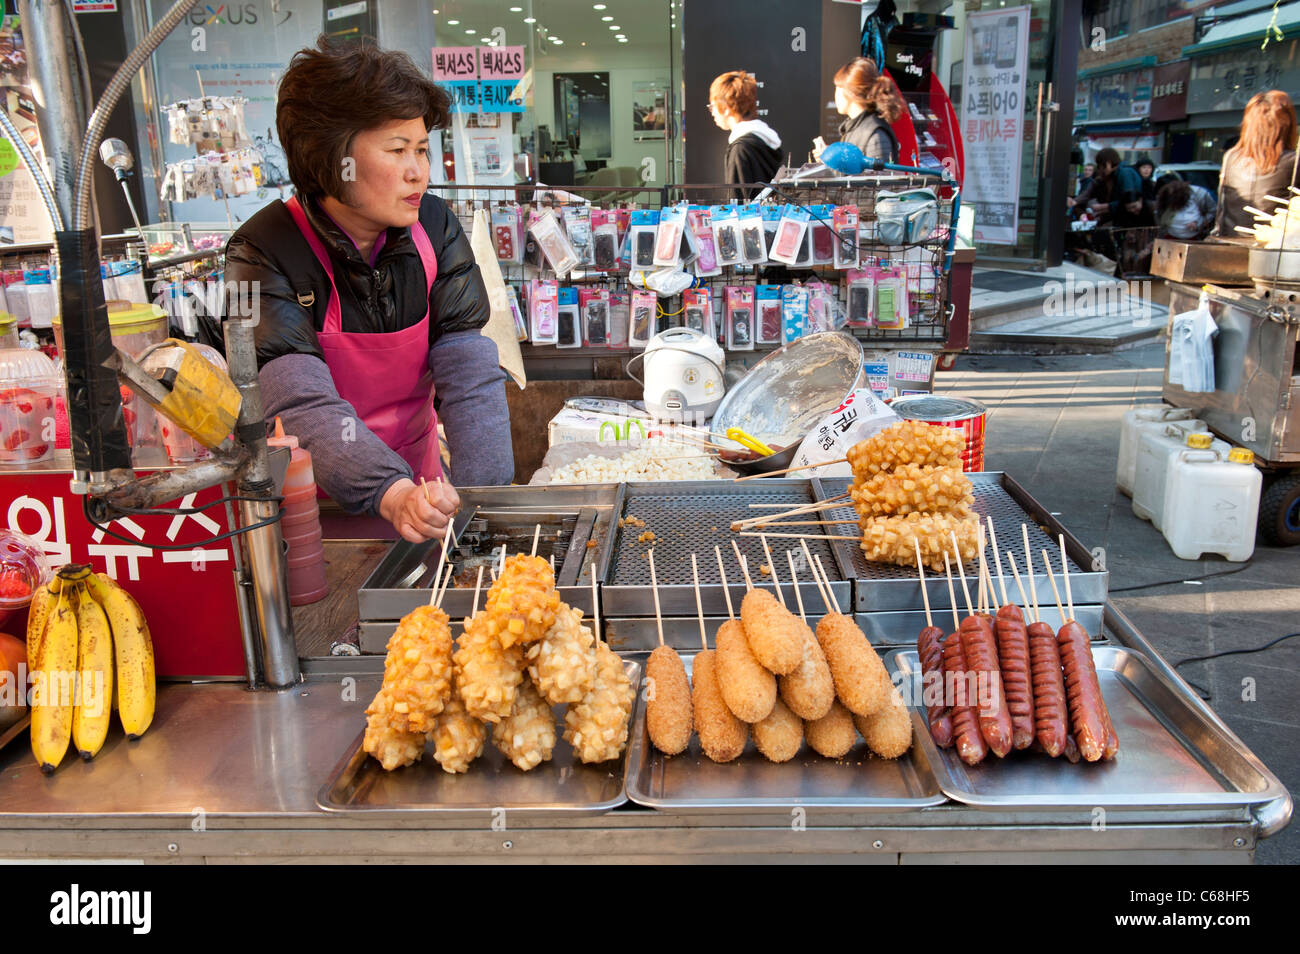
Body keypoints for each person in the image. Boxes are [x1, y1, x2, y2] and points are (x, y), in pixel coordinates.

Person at [225, 38, 514, 544]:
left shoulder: (434, 224)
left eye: (422, 150)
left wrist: (486, 502)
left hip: (423, 496)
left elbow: (468, 372)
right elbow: (300, 403)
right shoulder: (261, 250)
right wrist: (390, 490)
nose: (418, 171)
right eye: (398, 150)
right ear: (332, 158)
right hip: (311, 514)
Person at [1215, 89, 1298, 237]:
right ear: (1287, 124)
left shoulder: (1231, 157)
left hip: (1228, 243)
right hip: (1272, 248)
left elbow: (1222, 206)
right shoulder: (1294, 161)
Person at [709, 70, 783, 200]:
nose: (712, 112)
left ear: (726, 108)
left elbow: (738, 203)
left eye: (713, 106)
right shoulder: (765, 140)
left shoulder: (740, 149)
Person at [814, 57, 903, 164]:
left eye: (837, 88)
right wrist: (831, 159)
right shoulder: (857, 128)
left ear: (852, 93)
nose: (835, 96)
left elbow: (878, 178)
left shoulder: (874, 135)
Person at [1155, 175, 1217, 240]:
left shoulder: (1199, 193)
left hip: (1194, 237)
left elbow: (1213, 211)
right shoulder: (1165, 197)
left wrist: (1199, 223)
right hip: (1169, 236)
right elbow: (1159, 213)